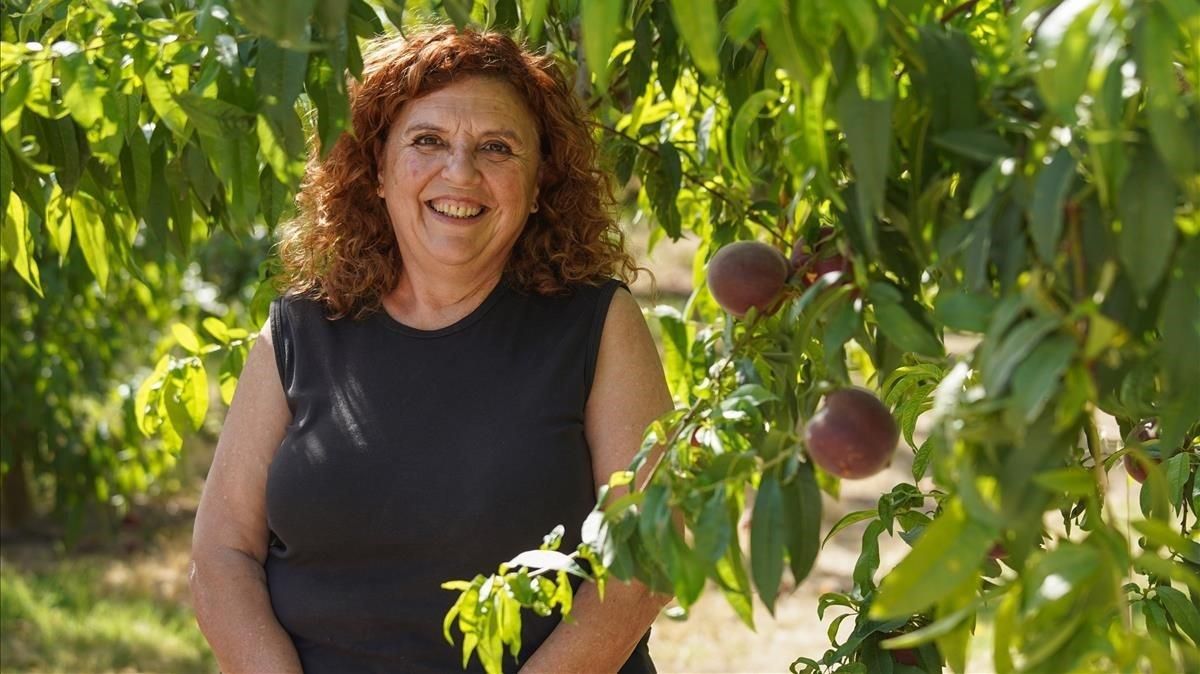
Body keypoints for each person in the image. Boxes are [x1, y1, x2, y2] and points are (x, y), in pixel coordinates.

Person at [188, 25, 674, 674]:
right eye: (428, 141)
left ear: (538, 187)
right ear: (378, 169)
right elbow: (222, 554)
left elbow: (645, 560)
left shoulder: (599, 326)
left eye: (496, 148)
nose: (461, 171)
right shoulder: (297, 332)